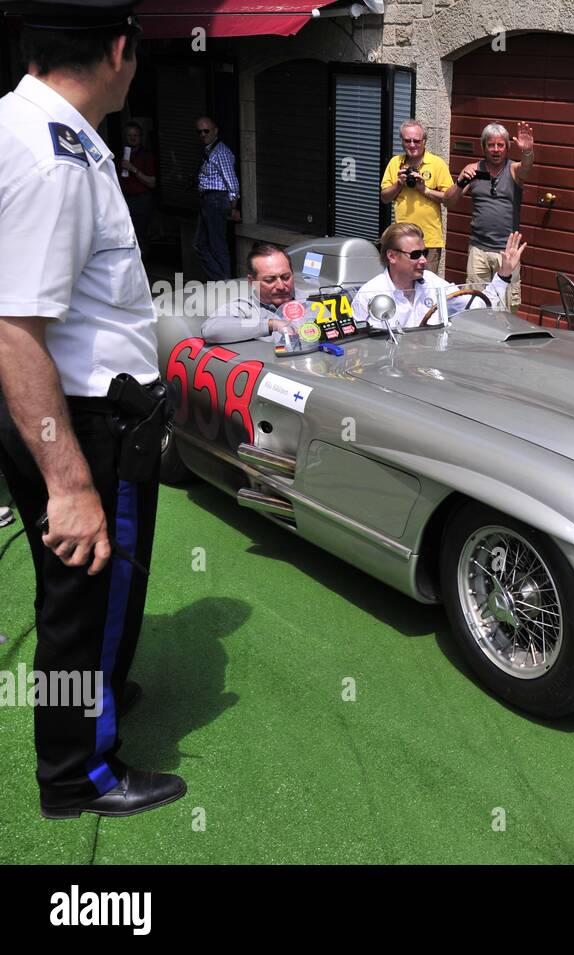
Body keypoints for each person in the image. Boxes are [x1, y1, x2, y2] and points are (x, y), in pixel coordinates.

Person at [0, 0, 185, 818]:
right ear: (120, 50)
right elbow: (14, 326)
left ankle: (96, 696)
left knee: (72, 590)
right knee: (90, 593)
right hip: (78, 421)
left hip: (56, 409)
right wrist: (70, 481)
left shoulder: (25, 122)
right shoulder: (57, 157)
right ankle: (81, 772)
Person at [352, 222, 524, 330]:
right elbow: (355, 343)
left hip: (433, 367)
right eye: (415, 254)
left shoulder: (431, 282)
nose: (423, 260)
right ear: (391, 256)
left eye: (424, 252)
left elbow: (478, 307)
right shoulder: (370, 294)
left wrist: (503, 274)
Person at [444, 121, 534, 310]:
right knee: (474, 305)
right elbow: (448, 202)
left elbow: (527, 167)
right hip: (478, 250)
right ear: (484, 146)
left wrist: (527, 152)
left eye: (500, 145)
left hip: (506, 251)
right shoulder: (473, 170)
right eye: (491, 145)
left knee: (506, 307)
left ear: (507, 147)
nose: (495, 150)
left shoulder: (514, 169)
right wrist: (461, 182)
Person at [380, 120, 454, 277]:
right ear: (402, 141)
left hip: (429, 240)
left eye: (416, 141)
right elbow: (385, 198)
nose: (412, 145)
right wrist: (398, 184)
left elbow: (449, 199)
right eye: (407, 140)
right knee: (402, 284)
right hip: (401, 240)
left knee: (426, 286)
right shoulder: (395, 163)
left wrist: (424, 189)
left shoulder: (437, 164)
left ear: (424, 141)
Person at [200, 243, 305, 343]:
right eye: (269, 280)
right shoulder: (245, 307)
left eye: (286, 277)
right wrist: (271, 325)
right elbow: (210, 330)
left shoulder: (311, 301)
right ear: (252, 281)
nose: (281, 286)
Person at [193, 115, 239, 280]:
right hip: (207, 200)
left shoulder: (221, 151)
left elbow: (231, 180)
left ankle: (225, 281)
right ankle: (221, 279)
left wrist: (233, 206)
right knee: (200, 244)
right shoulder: (208, 151)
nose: (203, 134)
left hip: (216, 200)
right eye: (199, 132)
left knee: (217, 244)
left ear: (215, 131)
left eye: (206, 131)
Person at [115, 119, 155, 242]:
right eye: (130, 135)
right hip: (124, 200)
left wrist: (133, 169)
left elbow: (152, 183)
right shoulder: (120, 155)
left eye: (136, 135)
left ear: (140, 137)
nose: (132, 138)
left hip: (142, 201)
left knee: (141, 237)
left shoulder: (147, 156)